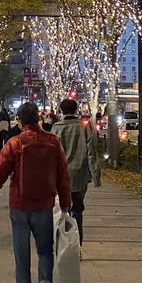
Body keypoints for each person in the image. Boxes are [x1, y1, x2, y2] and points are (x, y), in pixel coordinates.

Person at [0, 101, 71, 283]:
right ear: (38, 118)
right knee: (45, 250)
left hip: (19, 206)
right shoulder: (53, 142)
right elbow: (63, 175)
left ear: (19, 121)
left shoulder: (15, 143)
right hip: (44, 205)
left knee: (22, 258)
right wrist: (65, 203)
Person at [52, 100, 100, 244]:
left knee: (62, 210)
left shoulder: (56, 128)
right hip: (79, 175)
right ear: (76, 110)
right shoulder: (83, 127)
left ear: (61, 110)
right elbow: (91, 153)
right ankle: (77, 243)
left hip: (60, 177)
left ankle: (63, 243)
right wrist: (96, 176)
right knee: (78, 211)